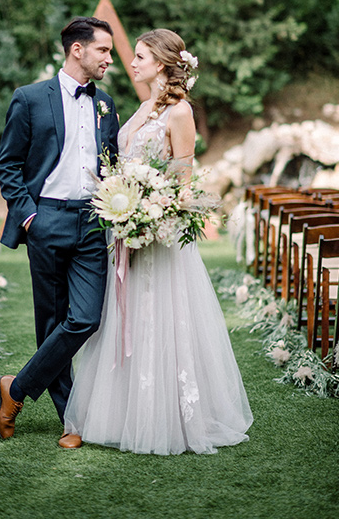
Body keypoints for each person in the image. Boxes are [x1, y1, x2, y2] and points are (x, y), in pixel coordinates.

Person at [63, 28, 253, 455]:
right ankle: (118, 412)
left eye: (141, 57)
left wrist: (152, 216)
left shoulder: (180, 112)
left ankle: (169, 418)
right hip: (127, 231)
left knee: (160, 318)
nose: (132, 62)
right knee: (125, 319)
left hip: (159, 236)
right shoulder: (145, 105)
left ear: (164, 64)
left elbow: (183, 182)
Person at [0, 16, 120, 448]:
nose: (110, 58)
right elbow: (8, 165)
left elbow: (114, 166)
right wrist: (29, 216)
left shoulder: (106, 104)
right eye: (103, 49)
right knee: (51, 322)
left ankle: (16, 387)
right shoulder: (29, 98)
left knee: (86, 317)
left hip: (93, 222)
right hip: (46, 219)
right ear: (77, 50)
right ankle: (72, 420)